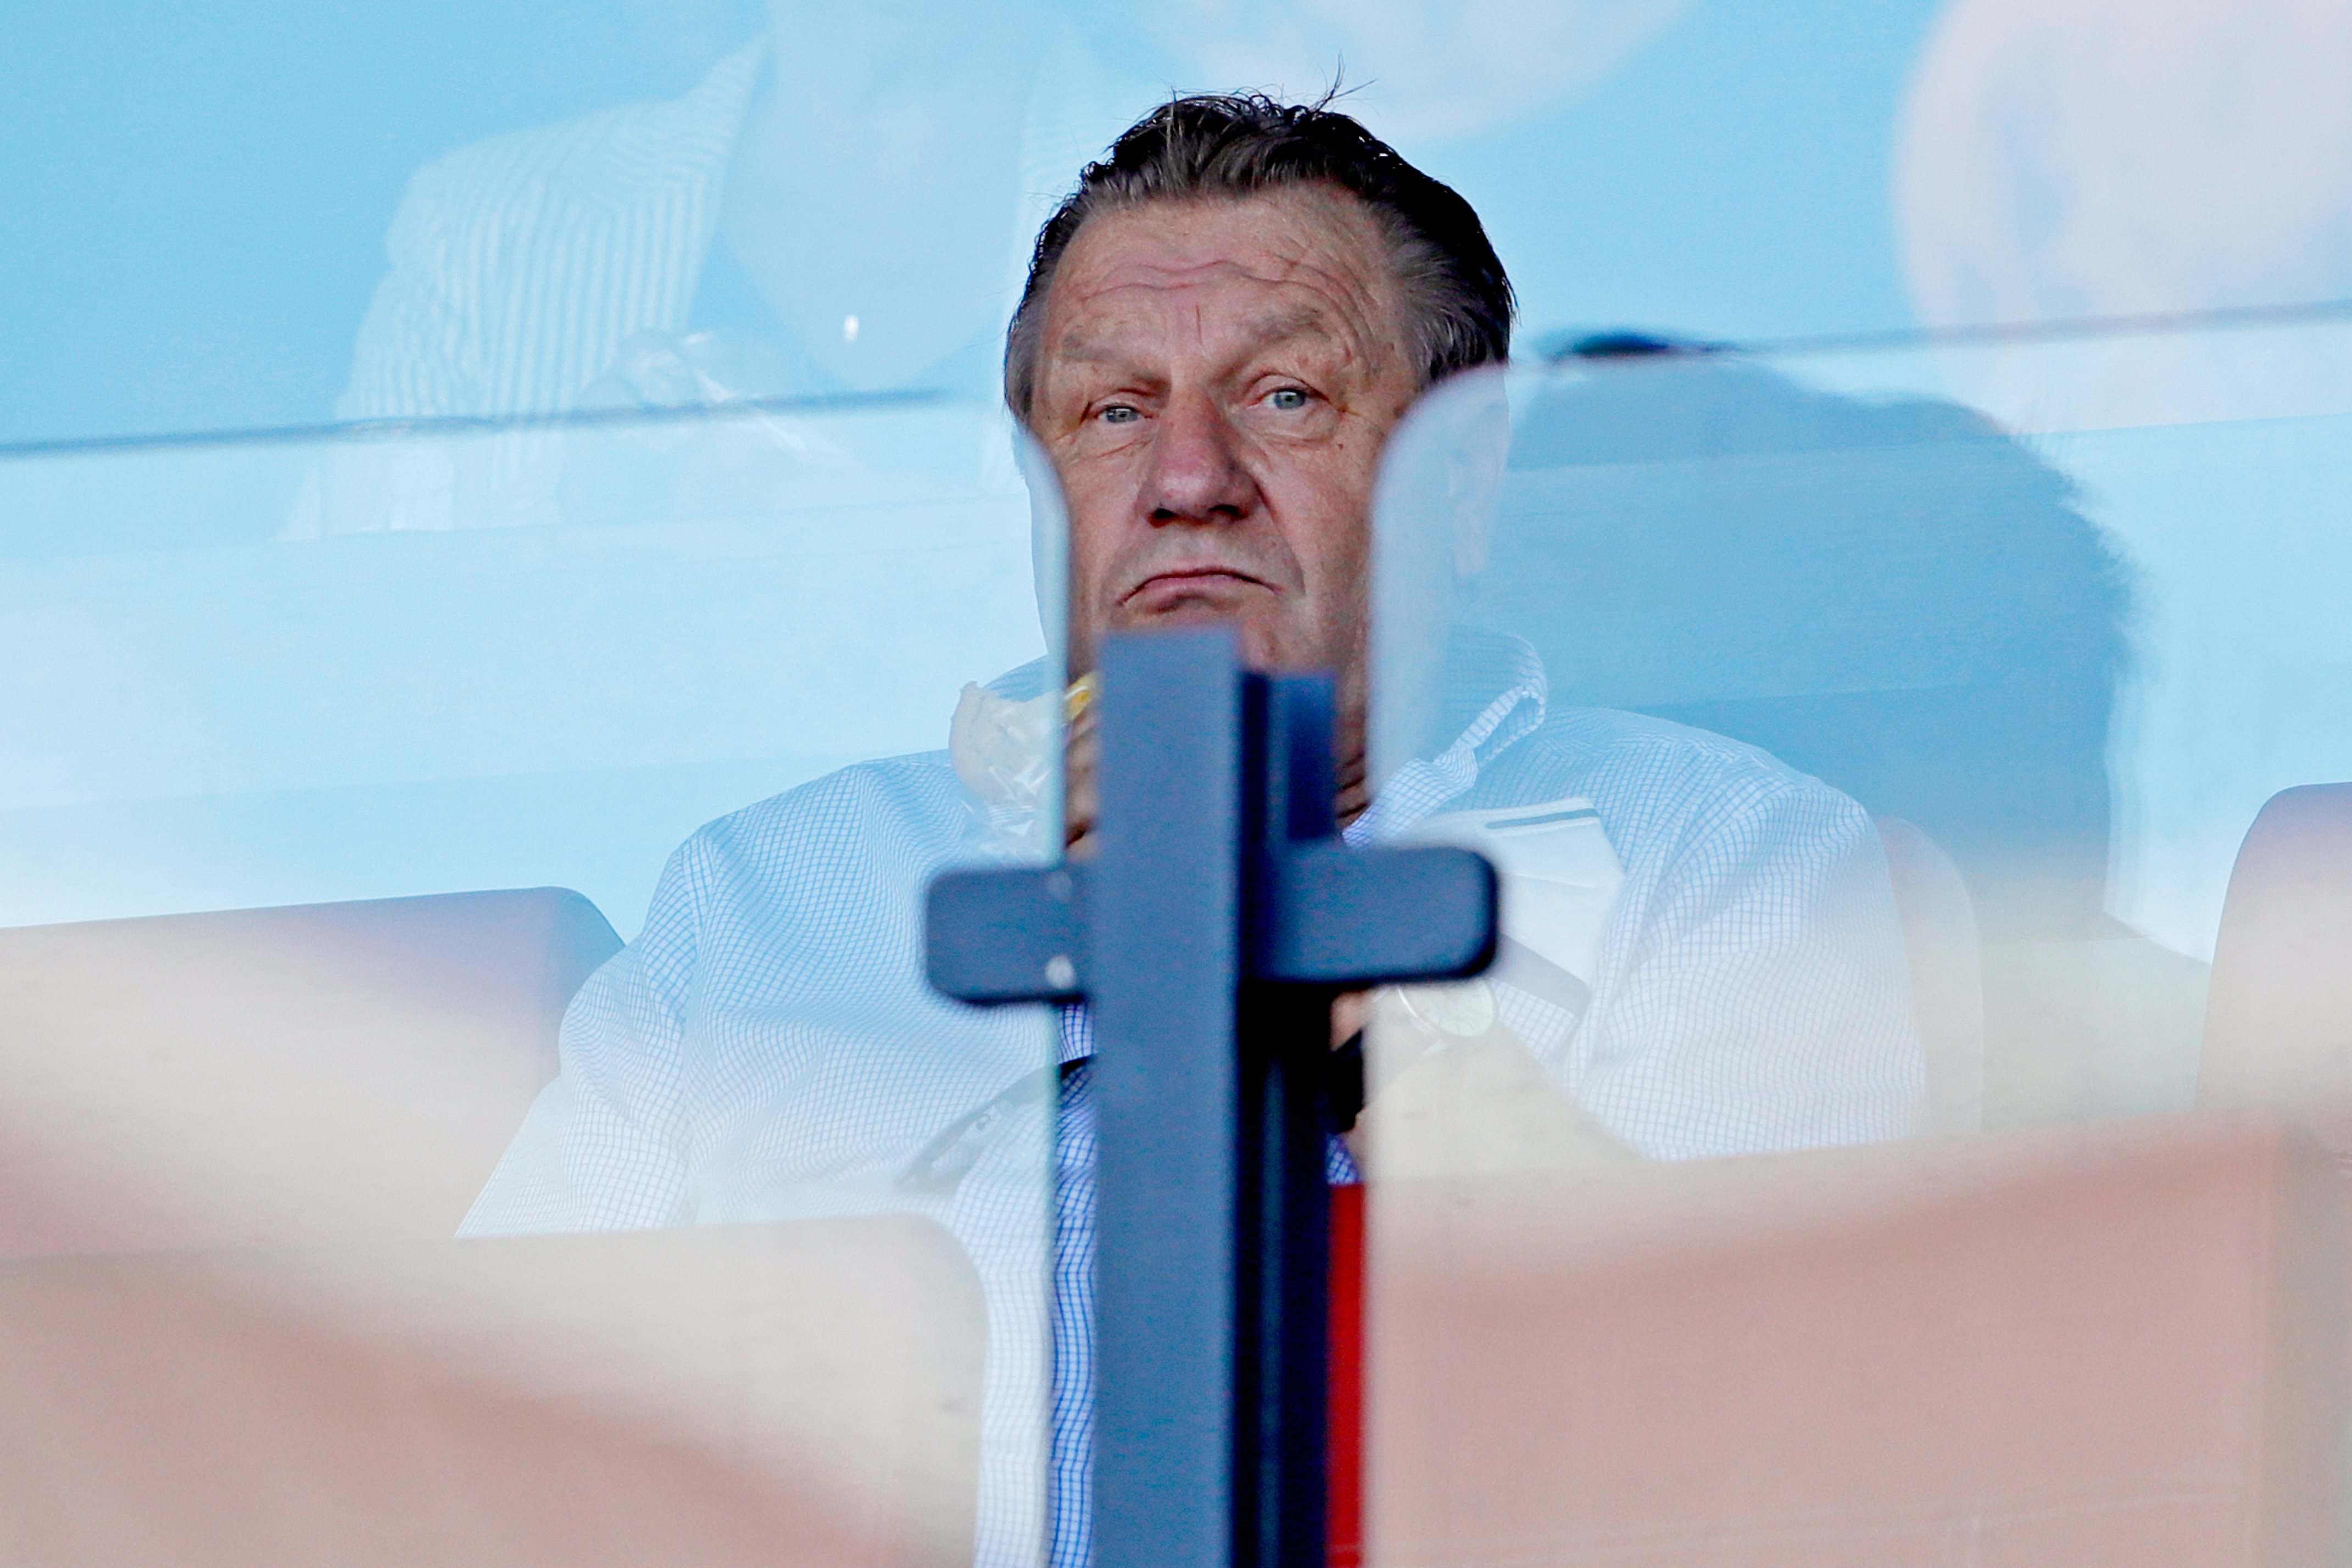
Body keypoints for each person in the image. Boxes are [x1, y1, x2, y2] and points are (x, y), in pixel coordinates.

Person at [462, 96, 1925, 1568]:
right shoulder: (762, 908)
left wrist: (1327, 1005)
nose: (1185, 480)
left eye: (1284, 396)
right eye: (1111, 413)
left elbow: (1761, 1459)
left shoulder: (1724, 867)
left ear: (1463, 485)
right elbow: (465, 1465)